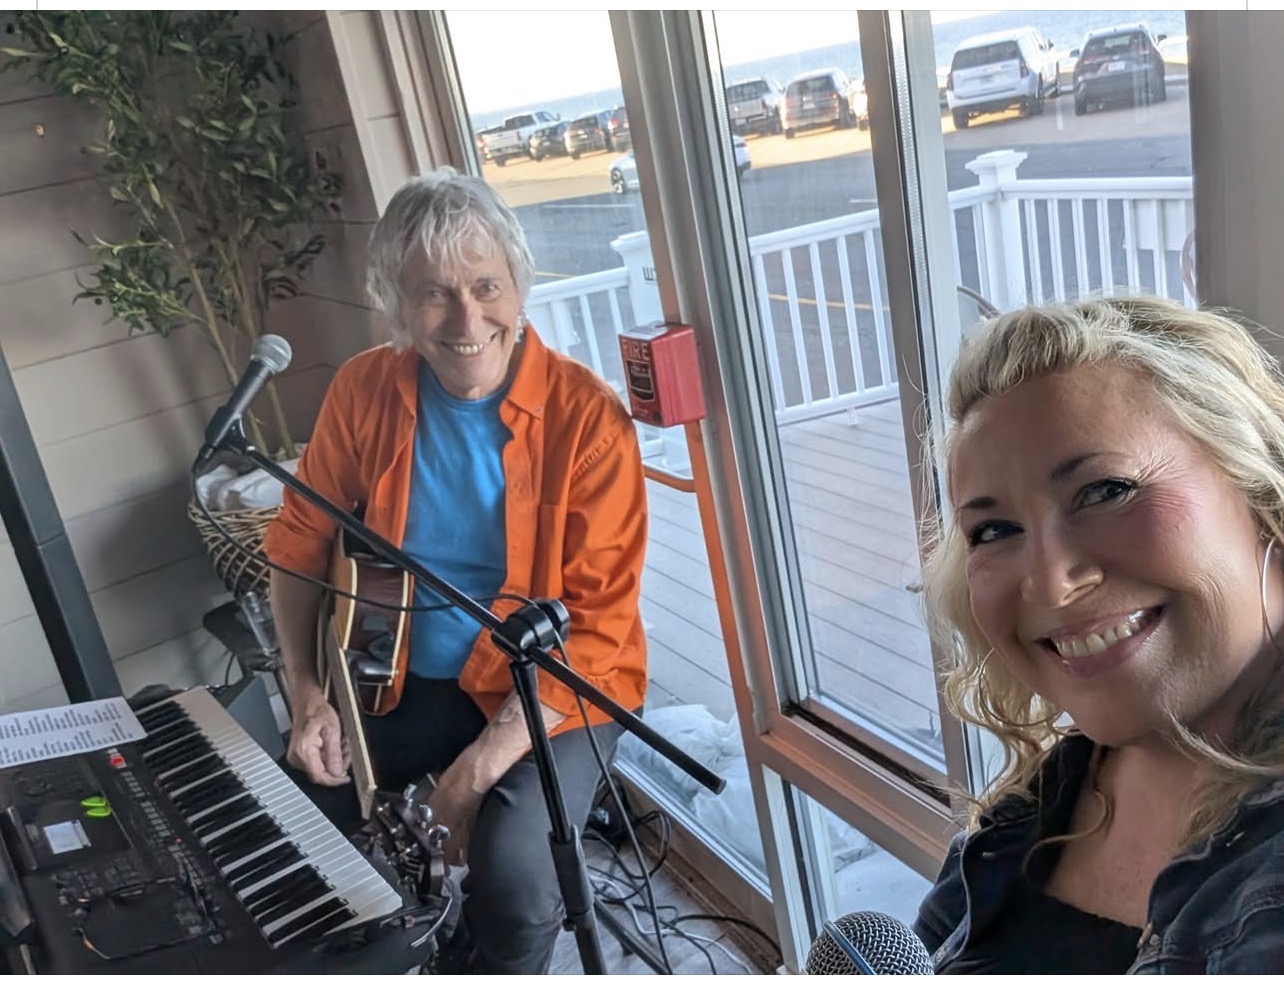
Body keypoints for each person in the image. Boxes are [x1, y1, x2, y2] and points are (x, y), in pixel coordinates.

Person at [262, 168, 649, 974]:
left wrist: (471, 776)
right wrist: (306, 695)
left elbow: (596, 632)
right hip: (392, 674)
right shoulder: (363, 391)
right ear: (398, 305)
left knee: (515, 880)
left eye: (486, 286)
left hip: (557, 692)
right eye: (434, 293)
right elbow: (298, 546)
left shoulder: (589, 420)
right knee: (294, 824)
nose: (467, 319)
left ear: (518, 286)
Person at [913, 295, 1284, 974]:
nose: (1052, 585)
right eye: (993, 530)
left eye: (1106, 491)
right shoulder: (1033, 807)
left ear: (1261, 493)